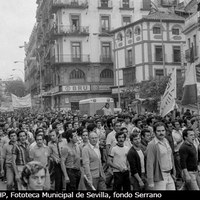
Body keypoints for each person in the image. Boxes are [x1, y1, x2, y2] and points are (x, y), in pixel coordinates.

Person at [146, 122, 176, 190]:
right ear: (154, 132)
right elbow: (149, 164)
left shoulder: (166, 141)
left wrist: (173, 172)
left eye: (163, 130)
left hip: (169, 174)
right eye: (158, 131)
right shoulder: (152, 144)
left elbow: (171, 157)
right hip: (159, 176)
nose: (161, 133)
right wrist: (150, 182)